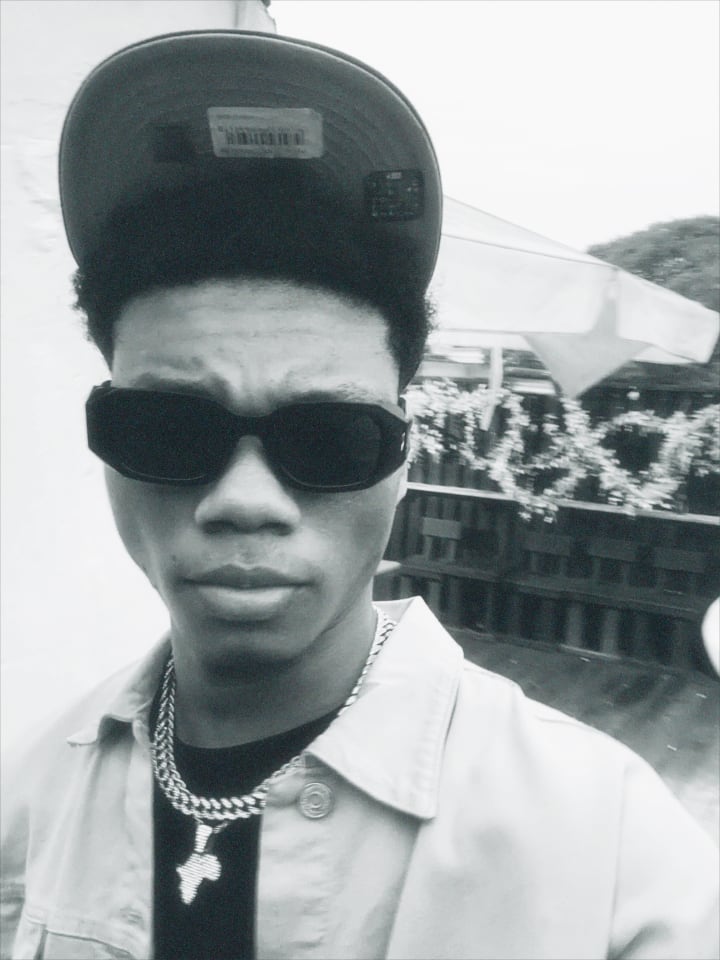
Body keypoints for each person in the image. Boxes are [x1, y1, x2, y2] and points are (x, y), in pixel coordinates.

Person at [1, 29, 718, 960]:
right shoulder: (28, 804)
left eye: (330, 439)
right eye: (169, 431)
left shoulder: (614, 862)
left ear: (403, 460)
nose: (245, 499)